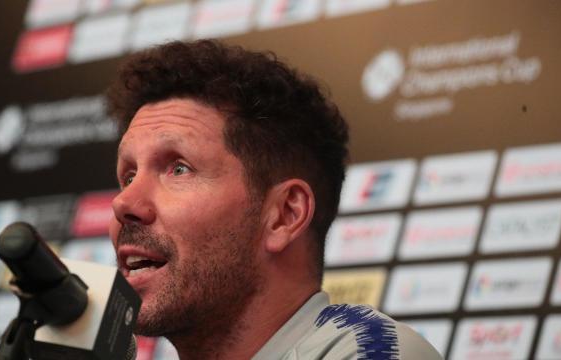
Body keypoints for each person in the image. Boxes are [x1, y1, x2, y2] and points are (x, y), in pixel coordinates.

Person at [106, 39, 441, 360]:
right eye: (129, 177)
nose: (123, 203)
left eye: (179, 169)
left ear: (284, 215)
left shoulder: (374, 350)